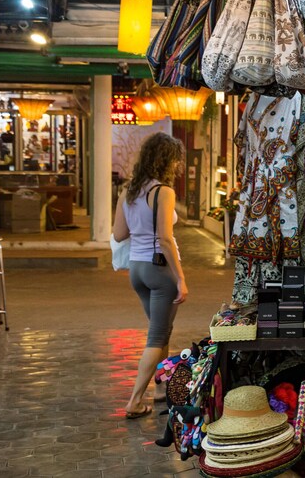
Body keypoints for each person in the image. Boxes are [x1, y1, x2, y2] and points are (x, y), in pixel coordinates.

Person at [111, 132, 187, 419]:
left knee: (161, 331)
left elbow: (120, 234)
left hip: (137, 270)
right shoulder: (163, 192)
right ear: (167, 162)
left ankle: (160, 389)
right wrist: (180, 278)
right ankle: (134, 400)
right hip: (159, 271)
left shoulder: (129, 191)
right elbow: (165, 239)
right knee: (156, 338)